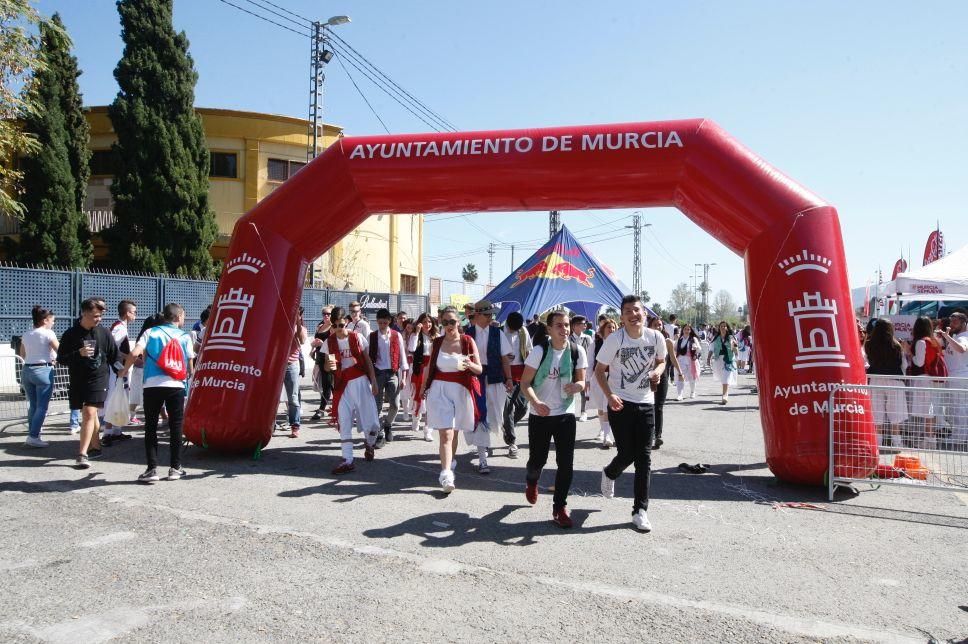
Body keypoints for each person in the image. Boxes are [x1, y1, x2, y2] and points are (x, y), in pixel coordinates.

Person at [595, 295, 666, 532]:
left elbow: (662, 361)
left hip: (646, 403)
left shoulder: (656, 337)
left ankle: (640, 510)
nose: (633, 315)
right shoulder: (615, 339)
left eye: (636, 310)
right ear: (622, 317)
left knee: (644, 458)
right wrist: (609, 395)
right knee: (626, 454)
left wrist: (657, 371)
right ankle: (610, 472)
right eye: (627, 311)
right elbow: (599, 371)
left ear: (644, 313)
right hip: (620, 403)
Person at [520, 311, 587, 528]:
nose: (564, 329)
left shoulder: (578, 351)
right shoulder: (539, 351)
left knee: (566, 464)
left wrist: (578, 386)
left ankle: (559, 508)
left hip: (565, 413)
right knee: (537, 461)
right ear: (549, 329)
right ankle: (532, 481)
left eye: (566, 325)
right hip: (540, 414)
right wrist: (537, 403)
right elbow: (525, 383)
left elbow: (582, 382)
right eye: (558, 325)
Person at [119, 303, 194, 483]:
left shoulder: (150, 332)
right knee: (176, 426)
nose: (183, 318)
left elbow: (135, 352)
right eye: (183, 315)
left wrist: (124, 370)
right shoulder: (184, 336)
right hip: (176, 384)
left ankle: (151, 469)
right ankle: (176, 468)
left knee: (150, 426)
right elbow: (190, 365)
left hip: (152, 384)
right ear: (177, 317)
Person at [419, 306, 482, 493]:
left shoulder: (467, 341)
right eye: (444, 322)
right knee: (445, 433)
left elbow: (479, 369)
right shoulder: (436, 342)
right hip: (439, 391)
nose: (448, 325)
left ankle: (451, 460)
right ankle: (446, 474)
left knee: (454, 432)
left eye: (452, 321)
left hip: (460, 391)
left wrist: (468, 363)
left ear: (459, 322)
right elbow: (429, 367)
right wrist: (423, 388)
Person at [57, 298, 118, 470]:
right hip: (78, 378)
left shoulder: (104, 332)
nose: (98, 319)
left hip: (99, 378)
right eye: (95, 316)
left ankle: (82, 454)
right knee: (87, 413)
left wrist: (124, 368)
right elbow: (61, 359)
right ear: (84, 313)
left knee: (89, 412)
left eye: (100, 316)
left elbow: (114, 355)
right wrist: (79, 353)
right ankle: (96, 445)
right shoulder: (70, 334)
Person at [325, 306, 381, 474]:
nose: (338, 329)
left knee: (371, 423)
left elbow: (368, 361)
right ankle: (347, 459)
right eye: (334, 326)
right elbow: (328, 368)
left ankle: (370, 443)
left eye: (341, 325)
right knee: (344, 422)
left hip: (360, 382)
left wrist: (374, 381)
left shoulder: (357, 337)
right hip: (342, 386)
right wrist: (328, 366)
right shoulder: (330, 342)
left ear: (347, 322)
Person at [464, 299, 515, 469]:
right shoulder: (467, 334)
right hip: (474, 381)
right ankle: (482, 458)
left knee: (495, 416)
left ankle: (483, 445)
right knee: (479, 415)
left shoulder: (497, 333)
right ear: (476, 315)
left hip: (494, 379)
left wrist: (509, 379)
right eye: (486, 315)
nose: (489, 318)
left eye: (491, 315)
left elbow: (505, 358)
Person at [904, 316, 947, 449]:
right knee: (929, 410)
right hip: (929, 378)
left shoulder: (921, 342)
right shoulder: (933, 341)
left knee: (927, 411)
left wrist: (908, 352)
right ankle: (930, 439)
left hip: (923, 378)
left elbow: (919, 362)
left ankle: (928, 439)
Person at [18, 306, 59, 448]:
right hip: (43, 370)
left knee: (34, 405)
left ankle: (33, 433)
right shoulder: (49, 334)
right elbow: (59, 350)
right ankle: (33, 436)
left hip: (27, 369)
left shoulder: (26, 334)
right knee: (42, 406)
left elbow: (22, 354)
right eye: (52, 320)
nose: (53, 323)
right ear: (45, 320)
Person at [864, 318, 908, 449]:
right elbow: (903, 364)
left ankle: (878, 443)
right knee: (896, 414)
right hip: (894, 380)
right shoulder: (896, 345)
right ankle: (897, 443)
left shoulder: (869, 344)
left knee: (877, 413)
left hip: (876, 379)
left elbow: (867, 361)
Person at [369, 308, 409, 445]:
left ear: (389, 321)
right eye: (380, 323)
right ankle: (380, 432)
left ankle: (388, 424)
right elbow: (369, 358)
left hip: (393, 373)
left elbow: (402, 357)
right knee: (377, 405)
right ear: (377, 322)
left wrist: (403, 377)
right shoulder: (372, 336)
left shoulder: (396, 335)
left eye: (385, 323)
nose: (382, 325)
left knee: (396, 404)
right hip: (378, 373)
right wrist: (371, 378)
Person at [102, 299, 138, 444]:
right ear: (128, 313)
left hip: (119, 368)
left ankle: (116, 431)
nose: (135, 315)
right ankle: (107, 434)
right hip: (116, 369)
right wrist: (129, 357)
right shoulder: (120, 328)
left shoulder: (121, 326)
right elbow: (111, 348)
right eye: (134, 312)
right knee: (114, 398)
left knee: (121, 397)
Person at [648, 317, 680, 450]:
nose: (658, 327)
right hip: (647, 377)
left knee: (659, 406)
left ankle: (657, 436)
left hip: (663, 376)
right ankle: (647, 435)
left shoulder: (667, 341)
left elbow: (672, 357)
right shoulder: (644, 340)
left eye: (660, 325)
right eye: (655, 325)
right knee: (648, 407)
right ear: (649, 326)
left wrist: (680, 372)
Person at [503, 311, 532, 449]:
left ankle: (507, 426)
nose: (515, 331)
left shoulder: (523, 331)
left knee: (523, 407)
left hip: (521, 373)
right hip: (504, 374)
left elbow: (529, 349)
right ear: (507, 324)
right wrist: (502, 358)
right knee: (508, 408)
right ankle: (512, 441)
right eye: (513, 328)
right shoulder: (499, 332)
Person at [938, 311, 967, 448]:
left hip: (959, 378)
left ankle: (959, 438)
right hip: (955, 377)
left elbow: (961, 349)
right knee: (953, 409)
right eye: (951, 321)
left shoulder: (963, 337)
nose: (952, 324)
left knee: (958, 408)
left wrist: (947, 337)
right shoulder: (957, 336)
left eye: (955, 322)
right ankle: (958, 435)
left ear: (963, 323)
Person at [588, 317, 618, 447]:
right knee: (601, 407)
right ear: (603, 330)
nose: (611, 330)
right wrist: (588, 380)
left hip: (613, 378)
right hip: (598, 377)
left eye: (614, 328)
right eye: (609, 327)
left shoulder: (619, 343)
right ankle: (603, 429)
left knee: (607, 406)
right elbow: (589, 363)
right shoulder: (595, 344)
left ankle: (607, 436)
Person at [408, 313, 437, 440]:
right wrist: (417, 332)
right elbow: (411, 348)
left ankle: (428, 430)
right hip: (419, 369)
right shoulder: (416, 336)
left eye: (429, 321)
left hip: (433, 370)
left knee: (431, 399)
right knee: (418, 396)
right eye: (424, 322)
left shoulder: (437, 337)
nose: (427, 324)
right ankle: (416, 417)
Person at [282, 307, 308, 438]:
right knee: (272, 398)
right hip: (277, 365)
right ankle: (270, 423)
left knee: (293, 397)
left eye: (298, 313)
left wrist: (297, 322)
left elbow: (302, 340)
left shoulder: (301, 328)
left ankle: (295, 425)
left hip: (291, 365)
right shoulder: (281, 324)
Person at [309, 306, 334, 422]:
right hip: (320, 357)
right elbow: (316, 341)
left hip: (329, 358)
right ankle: (337, 407)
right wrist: (313, 348)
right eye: (324, 313)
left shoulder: (333, 327)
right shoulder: (320, 326)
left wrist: (322, 343)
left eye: (328, 314)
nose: (326, 316)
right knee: (328, 384)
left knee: (328, 384)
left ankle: (322, 409)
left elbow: (333, 344)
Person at [707, 321, 738, 404]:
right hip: (719, 360)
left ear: (727, 328)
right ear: (719, 328)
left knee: (726, 376)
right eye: (721, 326)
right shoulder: (716, 338)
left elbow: (735, 347)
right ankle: (725, 391)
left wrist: (735, 349)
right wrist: (708, 358)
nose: (723, 328)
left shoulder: (731, 337)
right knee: (722, 377)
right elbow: (711, 349)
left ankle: (725, 395)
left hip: (729, 359)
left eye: (724, 326)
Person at [569, 316, 593, 422]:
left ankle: (584, 412)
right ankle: (569, 411)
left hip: (584, 368)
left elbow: (591, 353)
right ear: (574, 326)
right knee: (569, 389)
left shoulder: (587, 338)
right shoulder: (569, 338)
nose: (585, 325)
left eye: (585, 323)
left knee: (584, 391)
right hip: (570, 368)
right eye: (582, 323)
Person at [674, 323, 702, 400]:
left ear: (690, 330)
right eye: (685, 329)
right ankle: (680, 394)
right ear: (682, 330)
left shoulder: (693, 339)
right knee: (680, 376)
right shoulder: (679, 339)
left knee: (692, 378)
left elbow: (699, 349)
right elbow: (674, 348)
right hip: (681, 360)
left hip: (691, 361)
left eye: (688, 329)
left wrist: (696, 348)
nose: (686, 331)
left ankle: (692, 392)